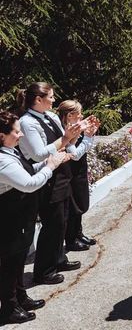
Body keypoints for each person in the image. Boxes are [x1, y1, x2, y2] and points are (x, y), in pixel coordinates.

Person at [0, 111, 68, 324]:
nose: (20, 135)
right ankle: (9, 308)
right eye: (16, 132)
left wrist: (50, 160)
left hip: (21, 218)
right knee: (10, 265)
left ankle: (21, 298)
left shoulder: (10, 151)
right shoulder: (2, 160)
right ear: (2, 135)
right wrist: (50, 166)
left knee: (19, 261)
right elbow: (29, 184)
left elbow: (27, 171)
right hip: (10, 220)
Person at [17, 83, 84, 285]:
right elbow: (38, 154)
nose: (54, 100)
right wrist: (64, 139)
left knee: (62, 221)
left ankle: (58, 259)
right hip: (46, 178)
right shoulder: (27, 123)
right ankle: (44, 271)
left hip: (62, 174)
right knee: (52, 224)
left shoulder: (51, 116)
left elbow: (66, 142)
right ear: (38, 99)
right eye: (51, 97)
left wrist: (77, 135)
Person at [57, 100, 100, 252]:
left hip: (79, 170)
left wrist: (89, 134)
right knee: (74, 206)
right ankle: (71, 239)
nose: (82, 116)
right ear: (70, 115)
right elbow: (74, 154)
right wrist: (87, 137)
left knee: (81, 202)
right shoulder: (64, 132)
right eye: (79, 113)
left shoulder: (75, 129)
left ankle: (78, 233)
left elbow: (84, 149)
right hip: (70, 172)